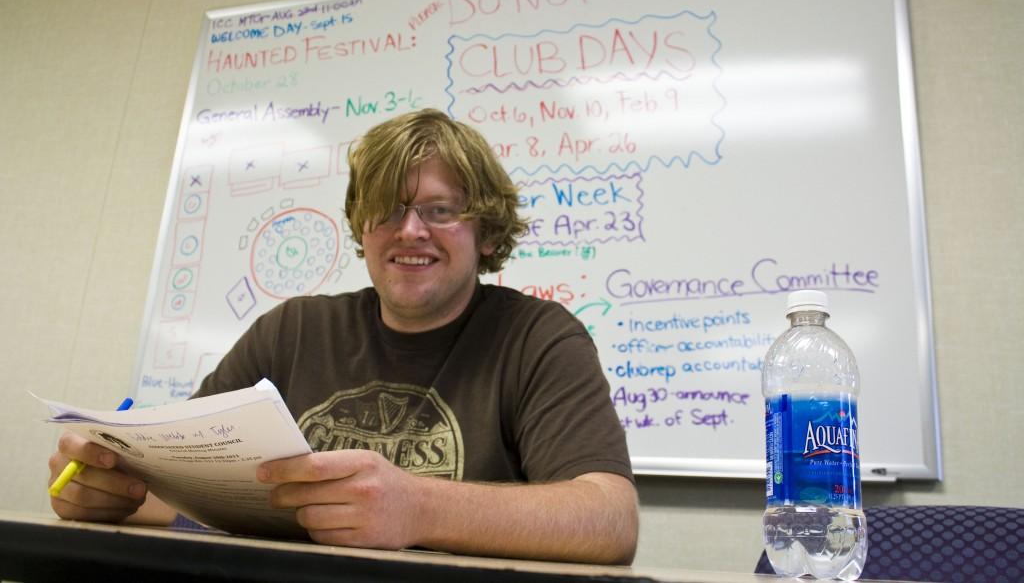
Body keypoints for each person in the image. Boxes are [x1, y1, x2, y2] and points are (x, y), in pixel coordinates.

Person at [48, 109, 638, 564]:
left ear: (486, 234)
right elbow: (184, 501)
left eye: (439, 211)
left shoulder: (537, 338)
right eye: (387, 209)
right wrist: (112, 494)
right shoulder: (292, 331)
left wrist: (417, 508)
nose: (409, 231)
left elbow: (611, 523)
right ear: (361, 225)